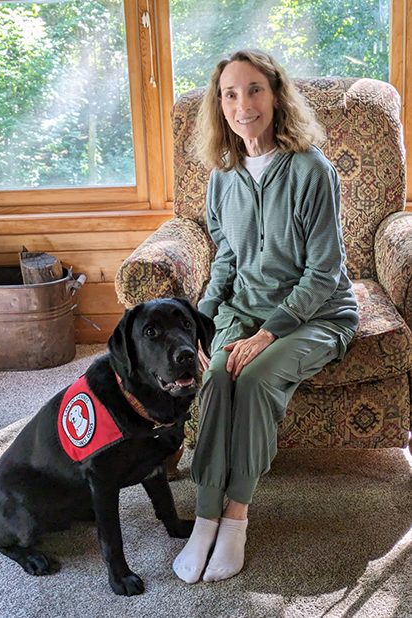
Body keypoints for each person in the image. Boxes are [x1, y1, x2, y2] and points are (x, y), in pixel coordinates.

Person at [173, 49, 359, 584]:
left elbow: (324, 273)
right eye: (230, 94)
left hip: (317, 314)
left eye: (253, 89)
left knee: (251, 377)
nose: (242, 104)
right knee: (213, 376)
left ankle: (235, 520)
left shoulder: (311, 170)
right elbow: (226, 261)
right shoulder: (222, 176)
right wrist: (200, 325)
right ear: (219, 105)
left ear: (275, 95)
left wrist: (268, 332)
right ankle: (204, 516)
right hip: (243, 309)